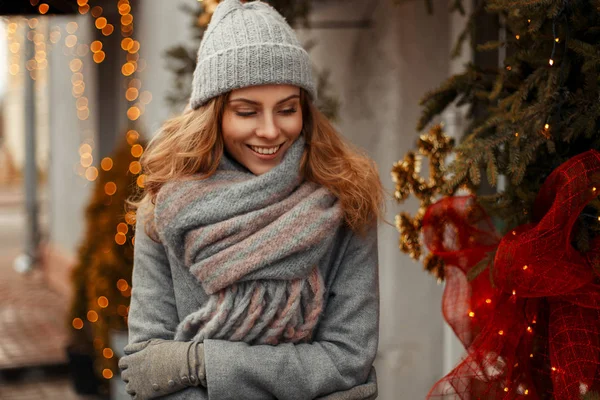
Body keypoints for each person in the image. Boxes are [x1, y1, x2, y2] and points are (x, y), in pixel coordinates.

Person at [118, 0, 386, 399]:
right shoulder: (166, 212)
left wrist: (198, 362)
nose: (270, 130)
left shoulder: (345, 201)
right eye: (246, 111)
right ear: (214, 114)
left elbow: (346, 360)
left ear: (305, 110)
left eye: (287, 109)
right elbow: (147, 366)